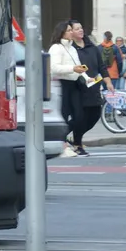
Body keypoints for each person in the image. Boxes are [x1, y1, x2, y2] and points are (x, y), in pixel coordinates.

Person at [49, 21, 89, 158]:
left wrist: (86, 76)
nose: (72, 32)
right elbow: (53, 67)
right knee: (64, 115)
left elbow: (78, 65)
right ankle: (62, 145)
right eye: (69, 30)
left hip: (74, 83)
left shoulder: (72, 48)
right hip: (62, 84)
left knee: (79, 115)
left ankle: (64, 140)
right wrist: (72, 69)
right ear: (62, 32)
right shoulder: (56, 48)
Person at [69, 21, 106, 156]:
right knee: (80, 117)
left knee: (95, 114)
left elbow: (101, 66)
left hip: (94, 85)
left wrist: (108, 82)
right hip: (78, 86)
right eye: (77, 28)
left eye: (81, 27)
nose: (80, 30)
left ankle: (71, 136)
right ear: (71, 32)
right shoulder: (70, 49)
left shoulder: (92, 47)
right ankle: (77, 143)